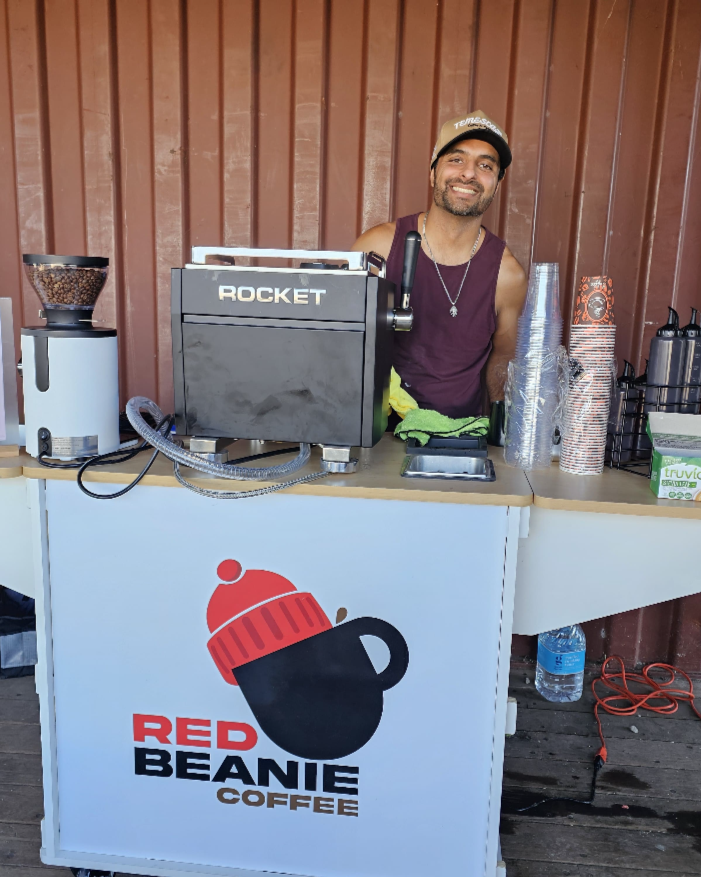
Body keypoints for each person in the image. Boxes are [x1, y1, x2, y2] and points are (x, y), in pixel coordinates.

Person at [351, 110, 527, 418]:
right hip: (376, 437)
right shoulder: (379, 248)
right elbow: (342, 342)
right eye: (456, 160)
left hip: (457, 442)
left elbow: (503, 362)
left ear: (497, 184)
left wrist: (504, 437)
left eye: (485, 165)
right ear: (433, 172)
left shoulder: (507, 274)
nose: (469, 174)